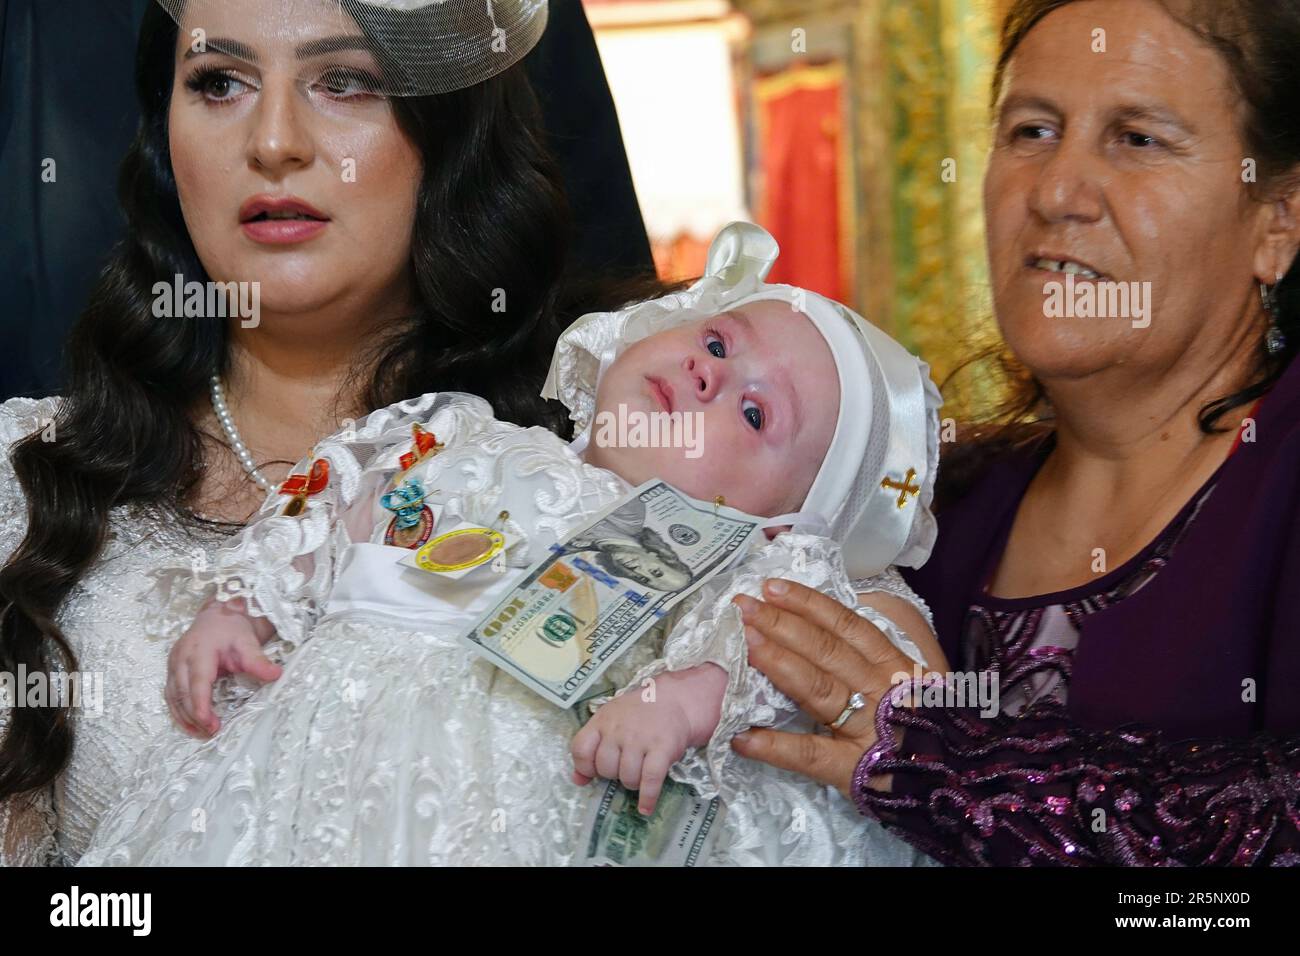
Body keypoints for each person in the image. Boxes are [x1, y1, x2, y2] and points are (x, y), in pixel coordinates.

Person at [0, 0, 664, 866]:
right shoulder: (29, 482)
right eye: (220, 81)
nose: (274, 141)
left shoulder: (620, 441)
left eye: (345, 82)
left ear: (451, 129)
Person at [77, 223, 943, 866]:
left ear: (787, 521)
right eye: (718, 341)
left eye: (754, 415)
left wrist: (684, 700)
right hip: (310, 757)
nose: (709, 375)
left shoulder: (734, 556)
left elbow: (780, 660)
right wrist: (250, 603)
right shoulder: (467, 433)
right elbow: (343, 493)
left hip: (518, 804)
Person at [730, 0, 1300, 865]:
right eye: (1032, 131)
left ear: (1278, 224)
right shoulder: (929, 509)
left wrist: (947, 767)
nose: (1057, 193)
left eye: (1137, 139)